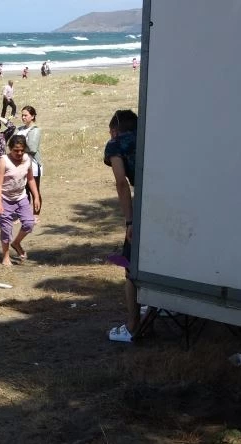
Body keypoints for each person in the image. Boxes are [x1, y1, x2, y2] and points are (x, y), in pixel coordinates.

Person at [105, 110, 140, 343]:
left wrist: (130, 220)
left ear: (115, 129)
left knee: (130, 267)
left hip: (143, 205)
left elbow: (121, 182)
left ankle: (132, 326)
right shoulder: (150, 135)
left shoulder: (115, 144)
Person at [0, 135, 40, 265]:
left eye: (22, 150)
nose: (19, 153)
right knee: (6, 229)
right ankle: (6, 256)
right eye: (16, 150)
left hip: (21, 197)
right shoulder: (4, 161)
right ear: (10, 149)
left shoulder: (27, 160)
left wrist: (36, 196)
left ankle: (16, 243)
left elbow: (31, 179)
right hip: (5, 198)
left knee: (29, 223)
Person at [15, 105, 43, 210]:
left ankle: (36, 214)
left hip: (33, 164)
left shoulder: (35, 130)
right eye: (22, 115)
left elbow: (32, 148)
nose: (23, 117)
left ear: (32, 116)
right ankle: (24, 214)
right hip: (20, 164)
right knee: (23, 191)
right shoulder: (20, 129)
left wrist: (18, 148)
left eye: (26, 115)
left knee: (34, 190)